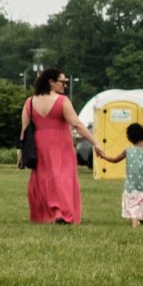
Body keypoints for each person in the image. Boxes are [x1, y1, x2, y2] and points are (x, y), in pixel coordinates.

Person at [22, 69, 100, 224]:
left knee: (43, 179)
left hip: (39, 146)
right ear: (51, 82)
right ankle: (61, 213)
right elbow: (77, 124)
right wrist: (95, 142)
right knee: (63, 178)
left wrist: (21, 154)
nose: (65, 85)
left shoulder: (30, 102)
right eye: (62, 82)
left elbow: (24, 130)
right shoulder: (62, 101)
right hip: (61, 145)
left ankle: (46, 214)